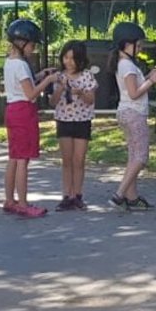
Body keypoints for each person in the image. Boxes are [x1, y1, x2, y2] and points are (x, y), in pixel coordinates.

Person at [2, 18, 60, 218]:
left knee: (14, 157)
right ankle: (24, 203)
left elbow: (23, 85)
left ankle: (10, 200)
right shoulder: (20, 65)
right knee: (22, 159)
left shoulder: (11, 62)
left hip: (12, 109)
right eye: (32, 44)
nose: (33, 49)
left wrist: (40, 75)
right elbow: (30, 94)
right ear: (22, 42)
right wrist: (49, 80)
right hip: (23, 112)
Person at [110, 20, 156, 212]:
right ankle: (119, 193)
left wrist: (146, 78)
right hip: (134, 112)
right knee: (141, 156)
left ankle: (132, 197)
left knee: (133, 155)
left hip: (126, 112)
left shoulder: (124, 64)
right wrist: (152, 81)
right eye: (137, 45)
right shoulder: (127, 66)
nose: (140, 49)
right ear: (125, 44)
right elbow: (134, 92)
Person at [51, 40, 97, 211]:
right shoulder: (59, 76)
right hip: (64, 120)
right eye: (66, 57)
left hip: (82, 120)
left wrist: (81, 93)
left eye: (73, 58)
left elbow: (90, 99)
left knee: (79, 159)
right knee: (67, 160)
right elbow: (53, 102)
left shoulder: (87, 76)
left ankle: (77, 194)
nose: (68, 62)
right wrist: (59, 89)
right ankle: (66, 195)